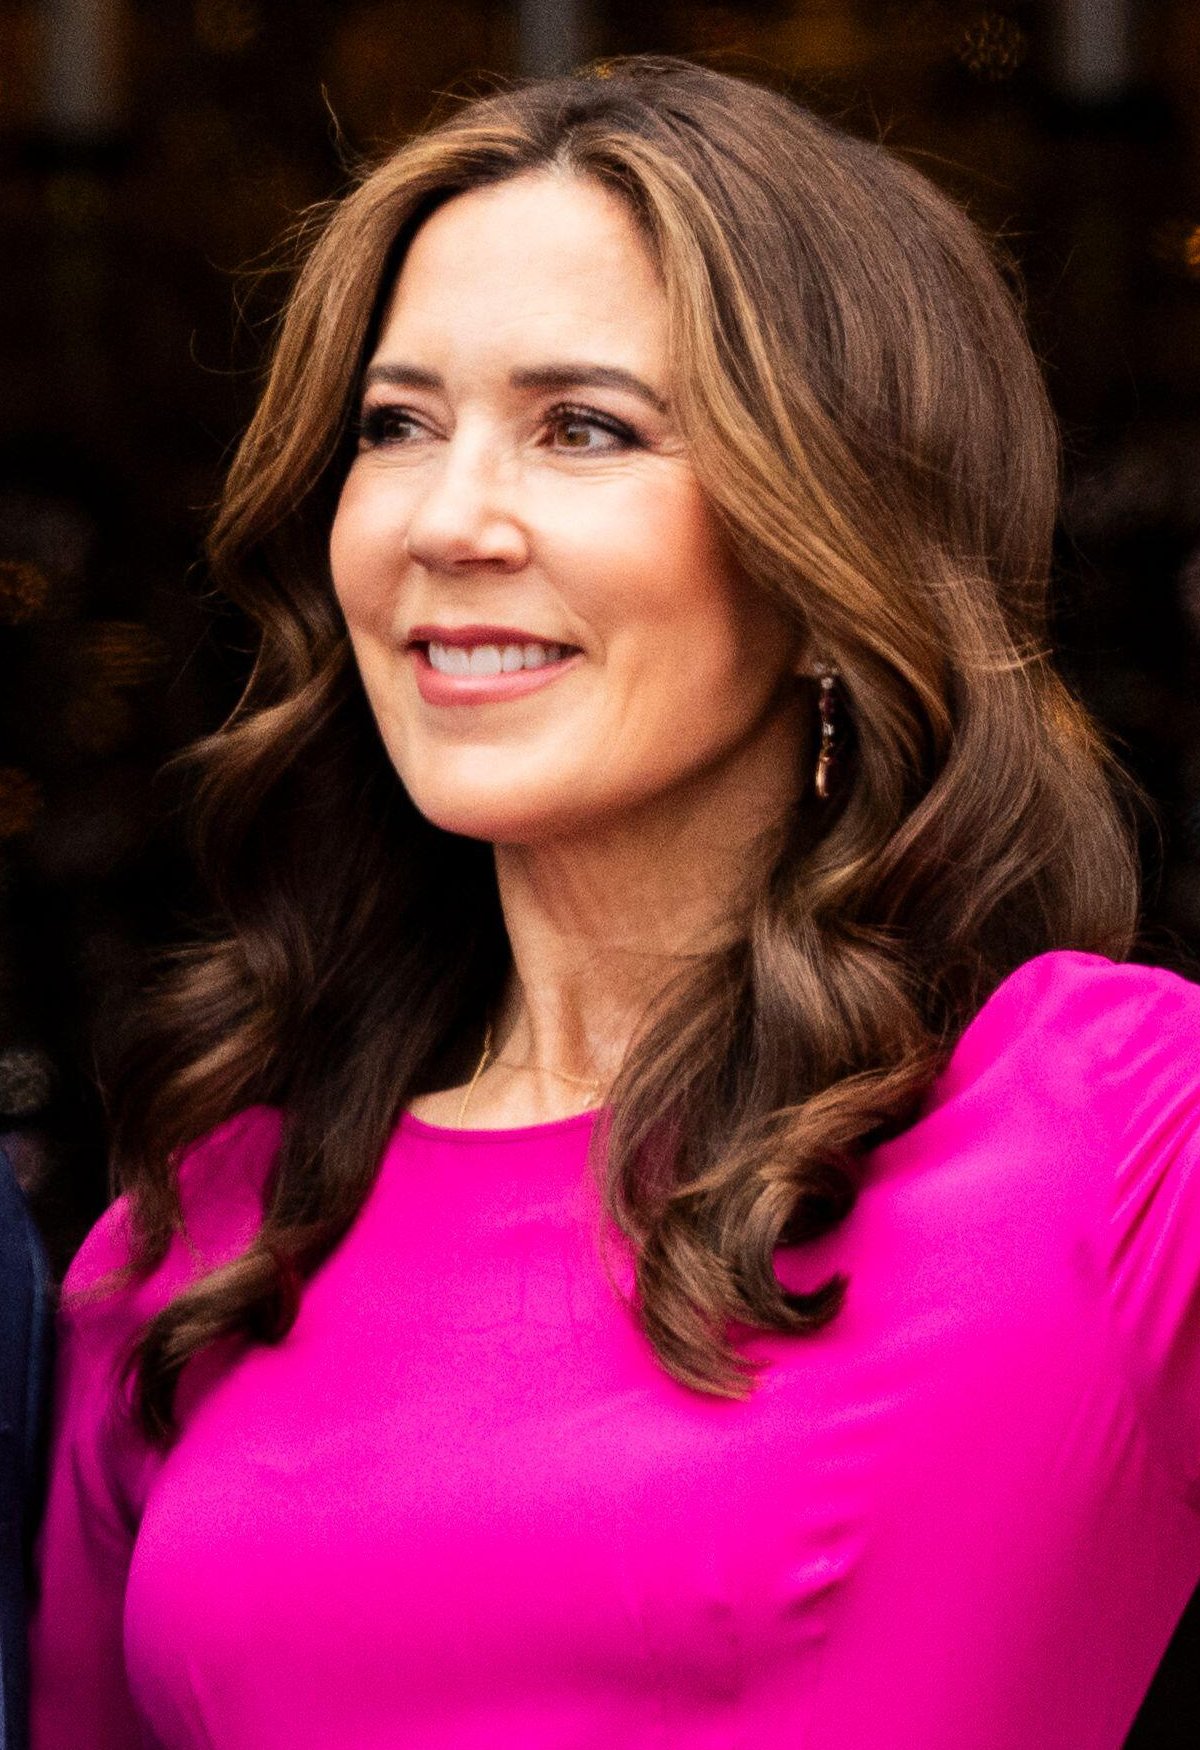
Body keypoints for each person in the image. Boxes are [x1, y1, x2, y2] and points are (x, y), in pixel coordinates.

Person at [27, 51, 1200, 1750]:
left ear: (828, 547)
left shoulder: (1111, 1132)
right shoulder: (197, 1236)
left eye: (584, 426)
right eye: (396, 425)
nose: (447, 517)